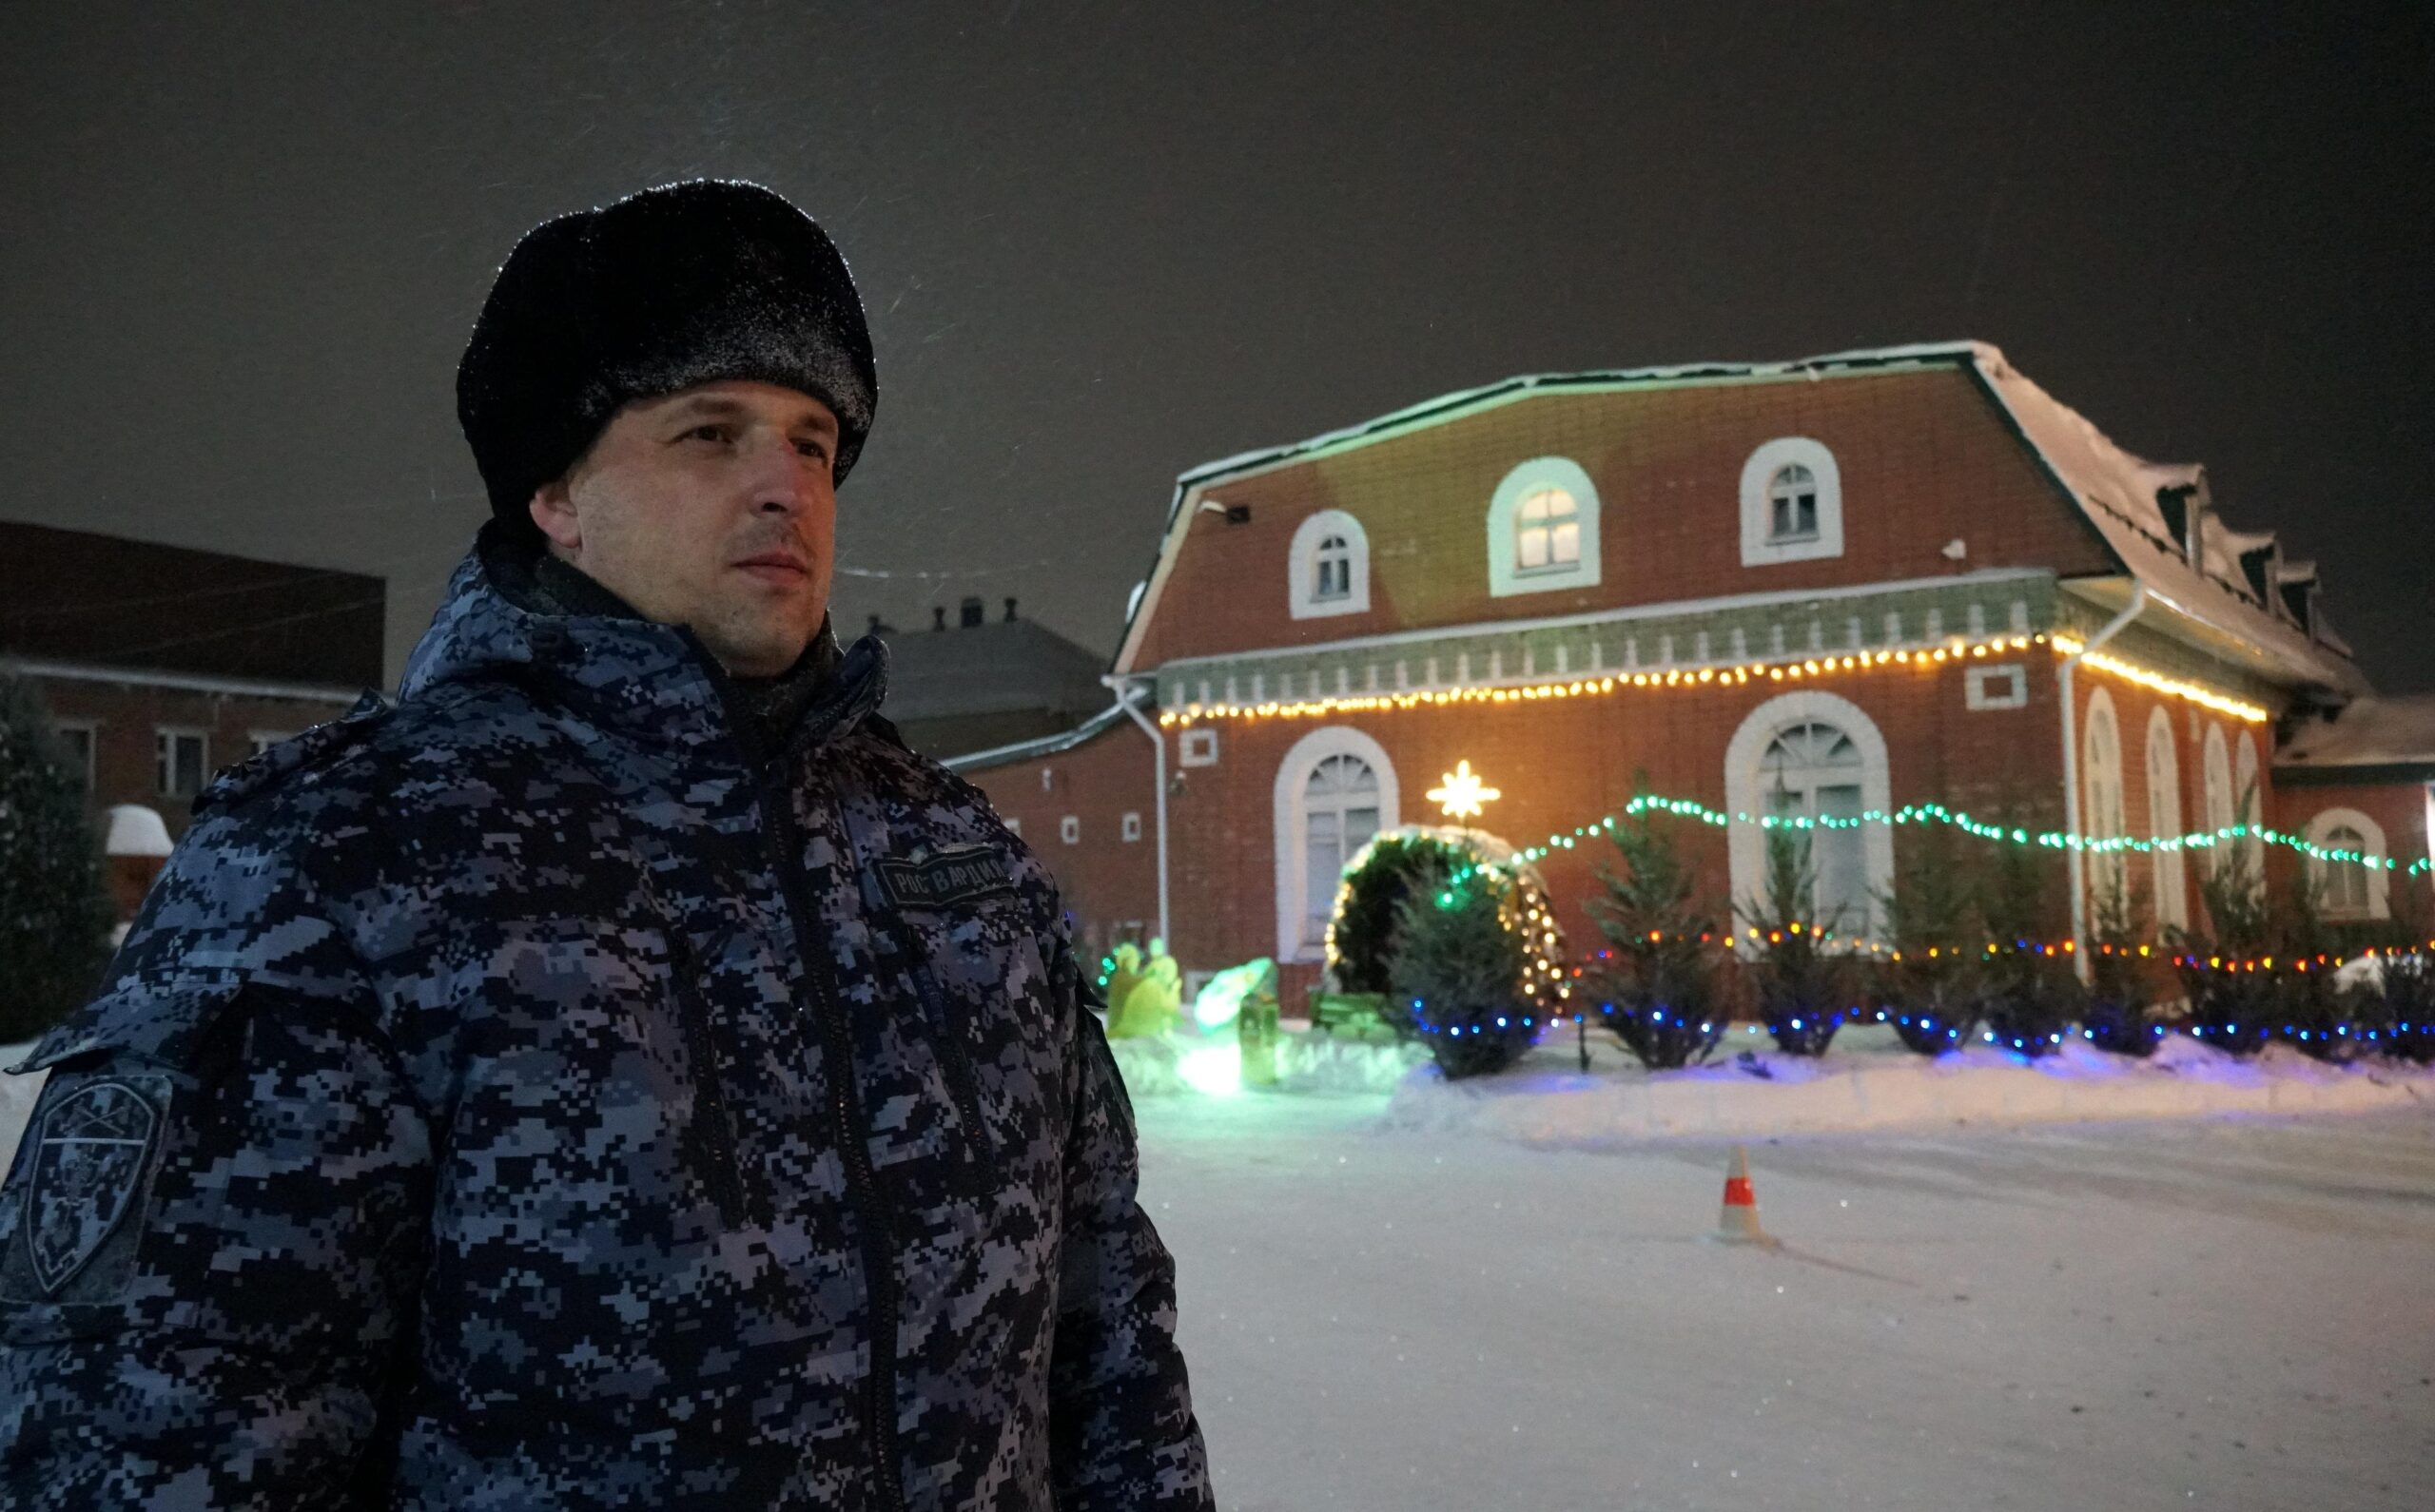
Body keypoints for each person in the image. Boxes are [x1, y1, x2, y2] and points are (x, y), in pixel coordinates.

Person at [0, 179, 1214, 1510]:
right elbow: (141, 1444)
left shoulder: (949, 858)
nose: (785, 488)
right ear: (557, 494)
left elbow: (1112, 1340)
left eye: (814, 444)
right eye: (711, 433)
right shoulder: (345, 862)